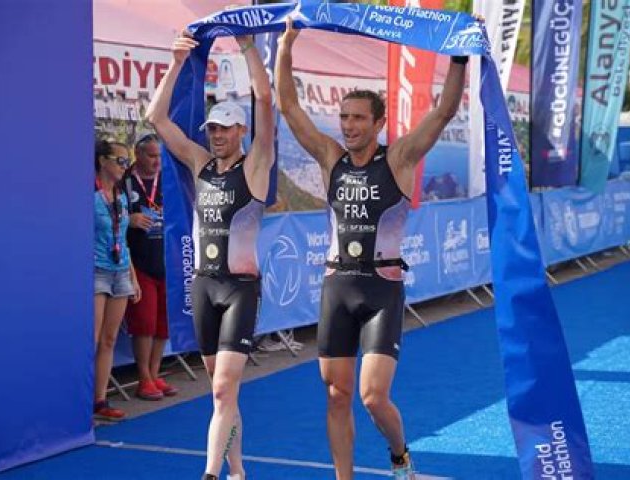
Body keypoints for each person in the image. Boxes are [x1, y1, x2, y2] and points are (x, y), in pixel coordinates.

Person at [275, 18, 468, 480]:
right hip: (337, 286)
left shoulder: (398, 158)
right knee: (336, 395)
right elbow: (289, 106)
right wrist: (287, 43)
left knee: (372, 397)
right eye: (344, 117)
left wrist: (459, 54)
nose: (349, 126)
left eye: (359, 118)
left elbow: (443, 111)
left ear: (379, 123)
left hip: (382, 289)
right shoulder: (330, 157)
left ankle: (400, 454)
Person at [145, 30, 274, 480]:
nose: (217, 135)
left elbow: (265, 99)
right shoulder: (200, 164)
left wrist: (248, 46)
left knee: (221, 391)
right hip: (204, 286)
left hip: (240, 288)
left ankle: (211, 474)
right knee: (224, 394)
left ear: (241, 130)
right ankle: (237, 471)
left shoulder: (256, 165)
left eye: (224, 128)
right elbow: (156, 118)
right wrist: (176, 62)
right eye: (212, 129)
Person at [124, 133, 179, 400]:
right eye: (151, 156)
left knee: (162, 324)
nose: (157, 161)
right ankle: (143, 377)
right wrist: (129, 219)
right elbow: (106, 214)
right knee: (144, 323)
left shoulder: (167, 180)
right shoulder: (125, 182)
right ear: (137, 155)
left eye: (160, 156)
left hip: (165, 260)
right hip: (138, 262)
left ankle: (155, 374)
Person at [94, 139, 142, 421]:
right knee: (92, 338)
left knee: (109, 339)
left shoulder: (121, 197)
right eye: (120, 161)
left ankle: (100, 400)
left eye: (127, 162)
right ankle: (81, 399)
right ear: (103, 161)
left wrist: (132, 277)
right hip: (97, 270)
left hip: (120, 271)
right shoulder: (90, 196)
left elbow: (123, 239)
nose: (125, 167)